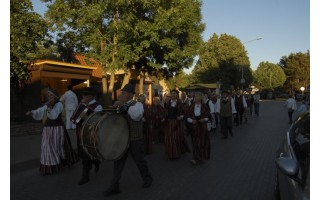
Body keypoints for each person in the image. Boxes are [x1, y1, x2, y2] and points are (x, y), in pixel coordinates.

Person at [104, 84, 153, 196]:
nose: (121, 94)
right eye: (122, 92)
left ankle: (148, 179)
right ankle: (114, 186)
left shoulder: (138, 104)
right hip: (122, 139)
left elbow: (136, 116)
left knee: (140, 161)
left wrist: (123, 106)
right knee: (118, 163)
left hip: (135, 139)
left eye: (124, 93)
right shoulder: (119, 105)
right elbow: (115, 121)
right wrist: (114, 109)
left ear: (131, 95)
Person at [26, 88, 78, 175]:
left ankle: (64, 162)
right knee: (47, 147)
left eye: (51, 95)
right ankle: (49, 167)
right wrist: (32, 113)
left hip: (57, 128)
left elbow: (53, 115)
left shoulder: (59, 104)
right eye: (48, 95)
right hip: (47, 129)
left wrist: (48, 107)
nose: (49, 97)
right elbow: (40, 111)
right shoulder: (47, 104)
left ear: (55, 96)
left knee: (58, 147)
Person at [76, 87, 103, 185]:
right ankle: (96, 162)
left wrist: (86, 117)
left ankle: (85, 176)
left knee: (86, 154)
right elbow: (76, 117)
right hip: (80, 131)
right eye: (83, 95)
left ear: (92, 96)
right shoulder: (83, 105)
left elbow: (97, 121)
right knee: (83, 154)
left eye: (86, 95)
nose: (83, 97)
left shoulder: (98, 106)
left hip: (90, 133)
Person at [163, 89, 190, 159]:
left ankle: (176, 153)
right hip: (169, 122)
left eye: (174, 94)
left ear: (177, 95)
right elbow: (165, 110)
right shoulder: (168, 102)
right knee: (169, 138)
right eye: (172, 94)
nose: (173, 95)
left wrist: (181, 116)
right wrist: (164, 117)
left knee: (176, 138)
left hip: (177, 122)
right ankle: (171, 154)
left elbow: (185, 111)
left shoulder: (179, 103)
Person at [186, 92, 211, 165]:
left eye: (197, 96)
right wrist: (191, 121)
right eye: (195, 96)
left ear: (200, 98)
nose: (195, 98)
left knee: (202, 142)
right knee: (195, 142)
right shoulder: (191, 106)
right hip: (194, 127)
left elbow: (208, 116)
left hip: (202, 127)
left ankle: (201, 156)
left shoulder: (204, 106)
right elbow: (187, 117)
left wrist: (204, 119)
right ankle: (195, 157)